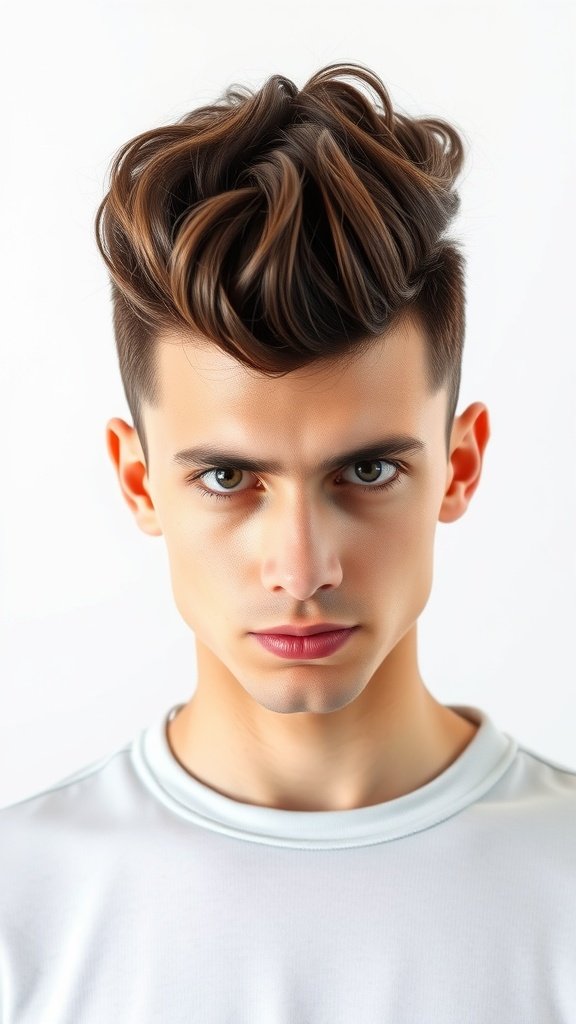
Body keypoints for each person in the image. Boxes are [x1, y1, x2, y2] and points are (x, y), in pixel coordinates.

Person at [1, 61, 575, 1023]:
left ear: (460, 465)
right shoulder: (20, 914)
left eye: (368, 472)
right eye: (228, 479)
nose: (303, 569)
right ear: (140, 482)